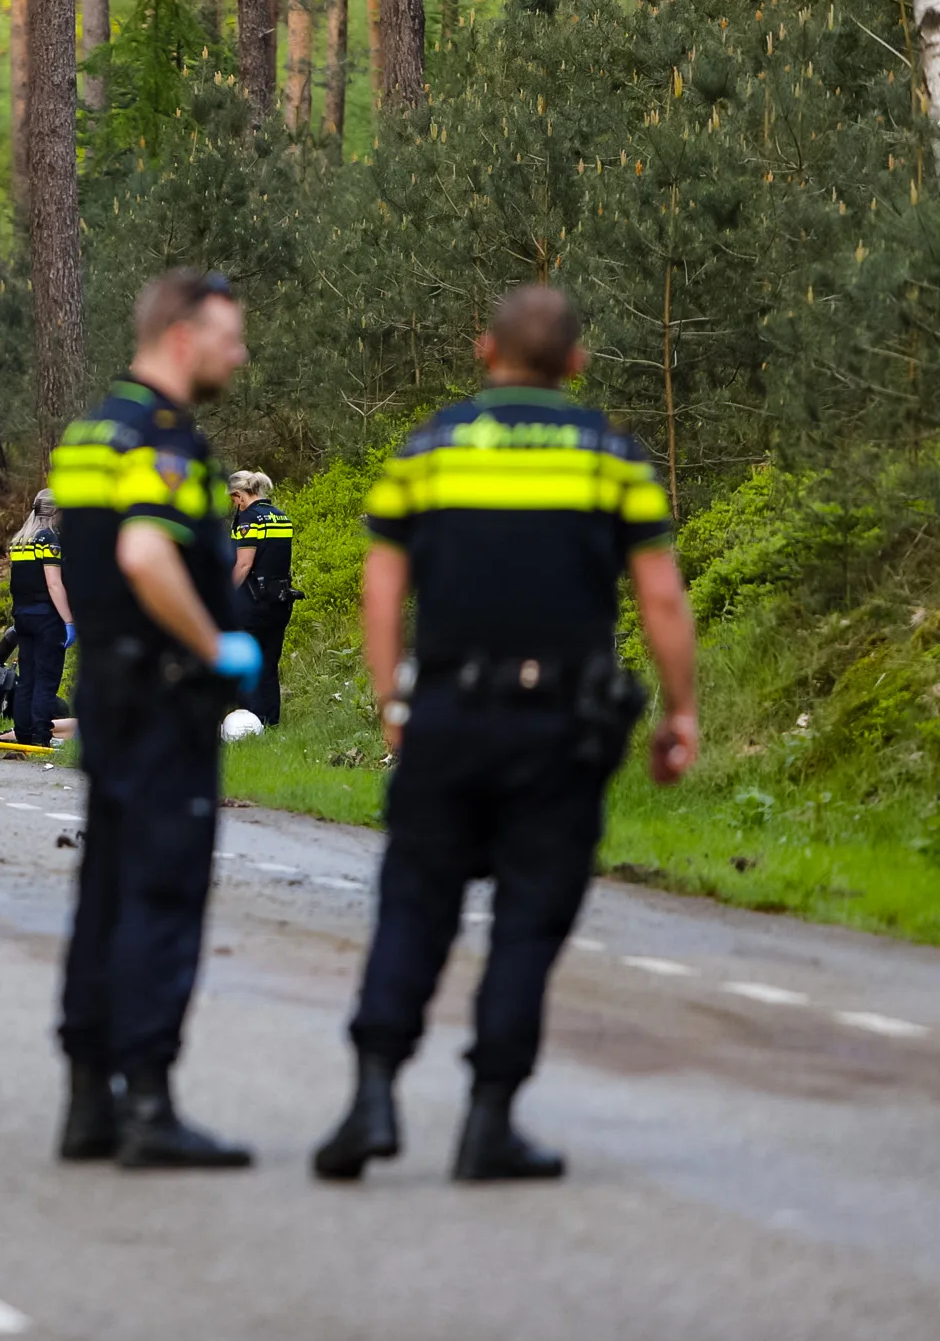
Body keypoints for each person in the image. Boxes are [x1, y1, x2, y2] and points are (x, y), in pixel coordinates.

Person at [312, 284, 699, 1184]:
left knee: (416, 900)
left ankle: (372, 1093)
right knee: (530, 916)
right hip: (562, 724)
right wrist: (680, 713)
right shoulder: (612, 459)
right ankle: (490, 1118)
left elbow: (381, 588)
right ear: (577, 364)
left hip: (446, 711)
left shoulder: (428, 451)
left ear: (485, 353)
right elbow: (663, 598)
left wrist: (391, 703)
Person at [47, 268, 265, 1170]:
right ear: (182, 337)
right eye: (228, 337)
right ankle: (151, 1101)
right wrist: (214, 646)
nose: (238, 354)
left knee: (104, 888)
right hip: (167, 693)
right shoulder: (162, 437)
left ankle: (89, 1099)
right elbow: (145, 552)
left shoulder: (90, 431)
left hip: (105, 687)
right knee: (162, 892)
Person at [227, 470, 297, 725]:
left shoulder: (248, 520)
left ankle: (248, 723)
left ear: (239, 496)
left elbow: (244, 565)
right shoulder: (280, 517)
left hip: (253, 601)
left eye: (234, 499)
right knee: (269, 662)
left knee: (248, 661)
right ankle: (270, 720)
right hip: (280, 600)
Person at [6, 488, 74, 746]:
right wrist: (68, 621)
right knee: (46, 680)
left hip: (22, 616)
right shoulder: (49, 540)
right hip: (46, 618)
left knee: (28, 678)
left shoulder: (20, 541)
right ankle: (40, 737)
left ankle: (23, 733)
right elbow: (54, 584)